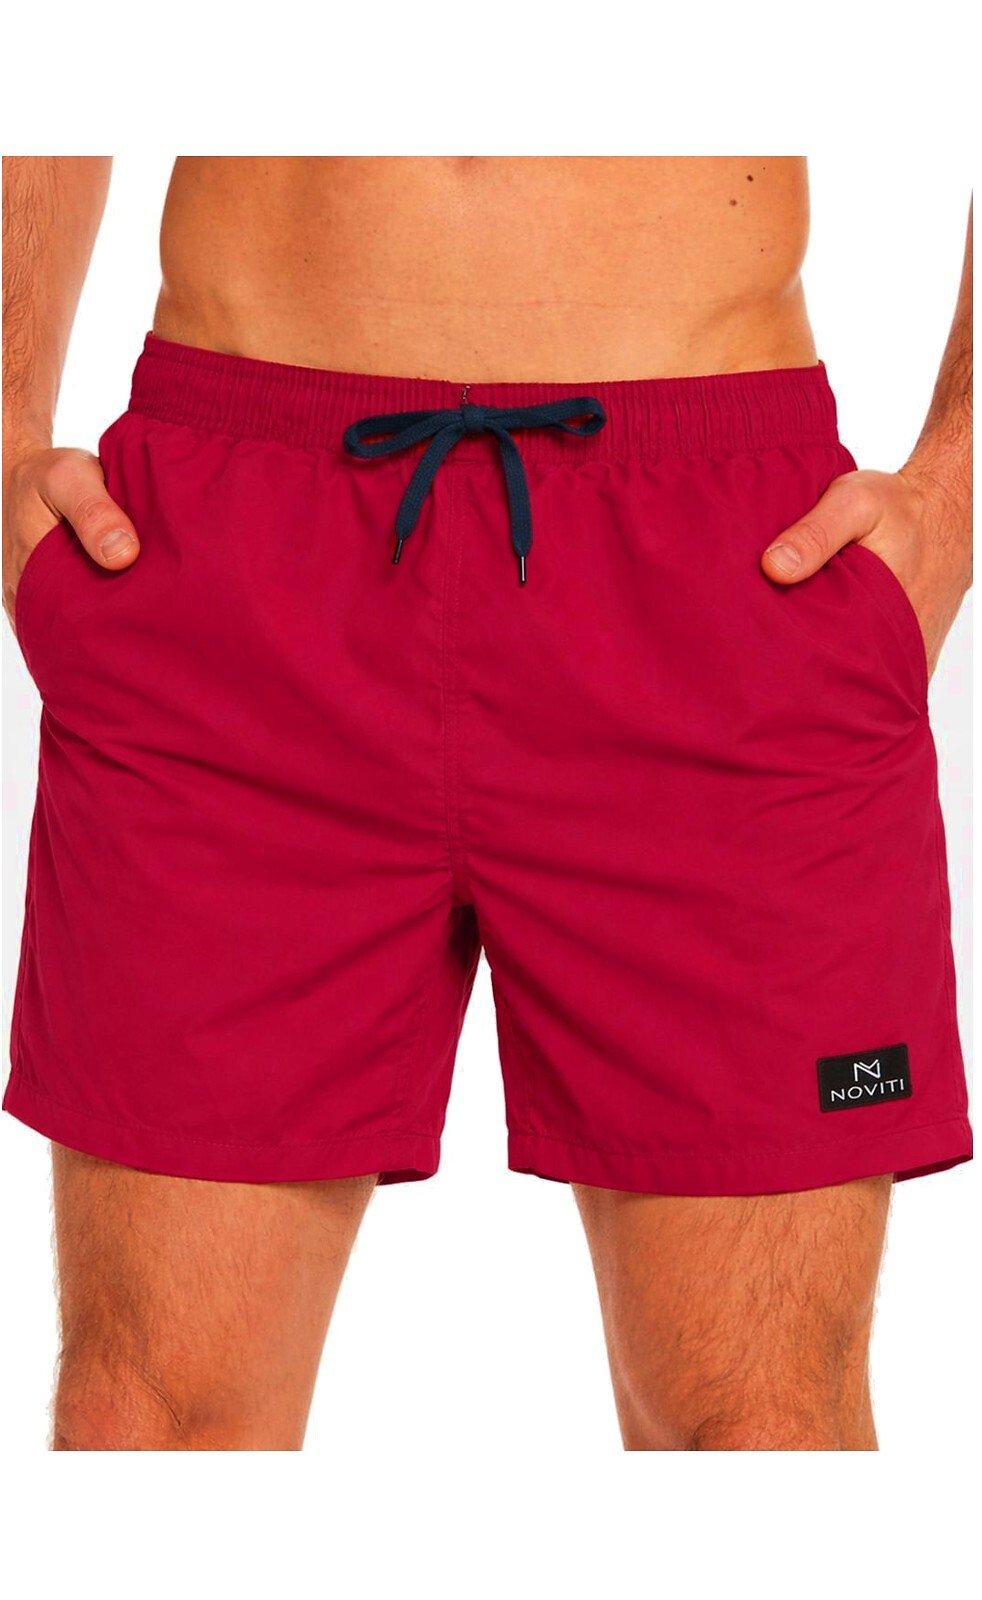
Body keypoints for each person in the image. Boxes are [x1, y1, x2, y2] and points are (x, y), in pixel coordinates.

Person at [1, 157, 972, 1451]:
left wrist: (958, 478)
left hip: (722, 579)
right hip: (233, 561)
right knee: (148, 1425)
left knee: (760, 1431)